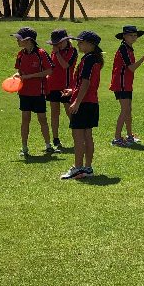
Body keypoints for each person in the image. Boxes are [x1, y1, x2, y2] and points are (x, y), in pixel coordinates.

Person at [61, 30, 104, 179]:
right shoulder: (94, 59)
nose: (78, 44)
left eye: (81, 42)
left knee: (78, 137)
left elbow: (86, 82)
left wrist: (76, 102)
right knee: (87, 136)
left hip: (84, 102)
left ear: (90, 44)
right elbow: (85, 83)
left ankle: (78, 168)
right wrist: (72, 90)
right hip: (92, 102)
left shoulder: (88, 59)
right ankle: (88, 168)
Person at [10, 26, 54, 158]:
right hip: (24, 92)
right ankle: (24, 147)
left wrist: (29, 76)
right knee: (25, 119)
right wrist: (15, 75)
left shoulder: (41, 53)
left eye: (19, 39)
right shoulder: (20, 54)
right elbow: (19, 70)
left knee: (42, 119)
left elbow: (49, 71)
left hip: (38, 92)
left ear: (28, 40)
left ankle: (48, 145)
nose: (17, 41)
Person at [110, 25, 144, 147]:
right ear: (124, 36)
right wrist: (143, 58)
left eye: (135, 35)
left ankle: (129, 136)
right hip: (120, 83)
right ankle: (117, 138)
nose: (133, 37)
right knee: (125, 110)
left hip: (126, 83)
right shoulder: (123, 49)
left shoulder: (129, 48)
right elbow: (131, 68)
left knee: (128, 110)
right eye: (130, 35)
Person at [46, 28, 78, 150]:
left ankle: (78, 137)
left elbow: (65, 66)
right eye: (55, 43)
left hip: (67, 87)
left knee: (70, 112)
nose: (57, 45)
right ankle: (55, 139)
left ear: (66, 40)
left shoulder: (72, 51)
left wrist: (57, 53)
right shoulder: (54, 52)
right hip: (52, 86)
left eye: (59, 42)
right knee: (54, 113)